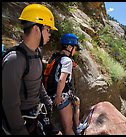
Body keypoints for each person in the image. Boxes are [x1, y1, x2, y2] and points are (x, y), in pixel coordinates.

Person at [2, 4, 61, 135]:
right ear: (36, 29)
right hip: (20, 123)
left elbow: (37, 80)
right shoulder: (15, 60)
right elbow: (10, 104)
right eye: (48, 29)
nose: (50, 34)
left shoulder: (37, 53)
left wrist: (47, 101)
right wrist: (20, 131)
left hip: (35, 116)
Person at [49, 33, 82, 135]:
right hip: (60, 95)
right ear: (69, 47)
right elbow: (61, 80)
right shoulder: (67, 61)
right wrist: (58, 96)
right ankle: (77, 128)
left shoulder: (57, 57)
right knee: (68, 127)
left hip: (51, 91)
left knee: (77, 101)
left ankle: (77, 127)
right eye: (75, 48)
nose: (75, 51)